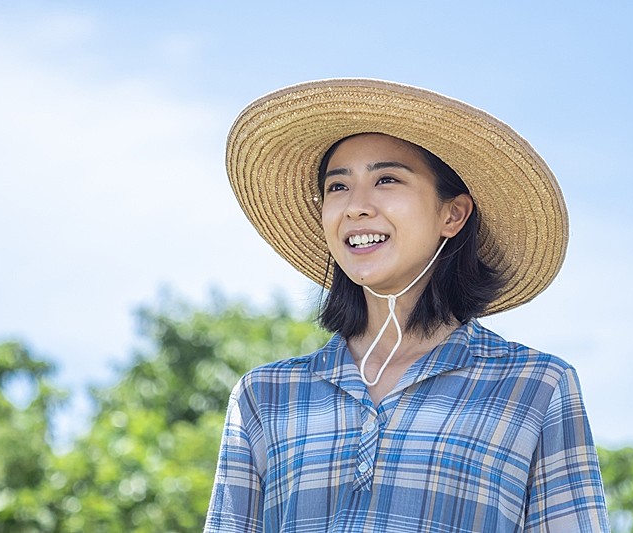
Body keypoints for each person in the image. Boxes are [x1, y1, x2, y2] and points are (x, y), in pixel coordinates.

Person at [205, 79, 610, 532]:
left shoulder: (535, 388)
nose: (356, 207)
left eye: (387, 180)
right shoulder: (265, 396)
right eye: (337, 186)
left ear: (452, 215)